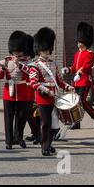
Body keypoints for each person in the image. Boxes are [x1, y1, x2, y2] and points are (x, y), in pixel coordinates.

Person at [29, 27, 74, 156]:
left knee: (54, 124)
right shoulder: (35, 65)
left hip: (54, 97)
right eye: (44, 49)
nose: (47, 52)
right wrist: (45, 90)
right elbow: (34, 83)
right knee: (45, 123)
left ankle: (49, 143)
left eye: (48, 49)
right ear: (39, 50)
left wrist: (67, 87)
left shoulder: (53, 64)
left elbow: (59, 80)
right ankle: (44, 146)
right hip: (43, 97)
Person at [62, 22, 94, 129]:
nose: (78, 44)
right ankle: (77, 123)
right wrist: (68, 70)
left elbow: (87, 66)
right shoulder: (77, 54)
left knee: (82, 101)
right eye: (78, 42)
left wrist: (79, 73)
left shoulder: (90, 53)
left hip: (85, 80)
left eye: (81, 42)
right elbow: (75, 66)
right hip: (77, 81)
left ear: (85, 42)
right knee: (75, 102)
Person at [0, 31, 30, 149]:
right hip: (8, 93)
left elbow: (30, 74)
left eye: (19, 51)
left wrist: (19, 64)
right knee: (8, 117)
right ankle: (8, 141)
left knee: (21, 117)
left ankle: (19, 138)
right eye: (15, 51)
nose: (17, 53)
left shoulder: (27, 62)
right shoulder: (6, 60)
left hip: (22, 93)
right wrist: (3, 69)